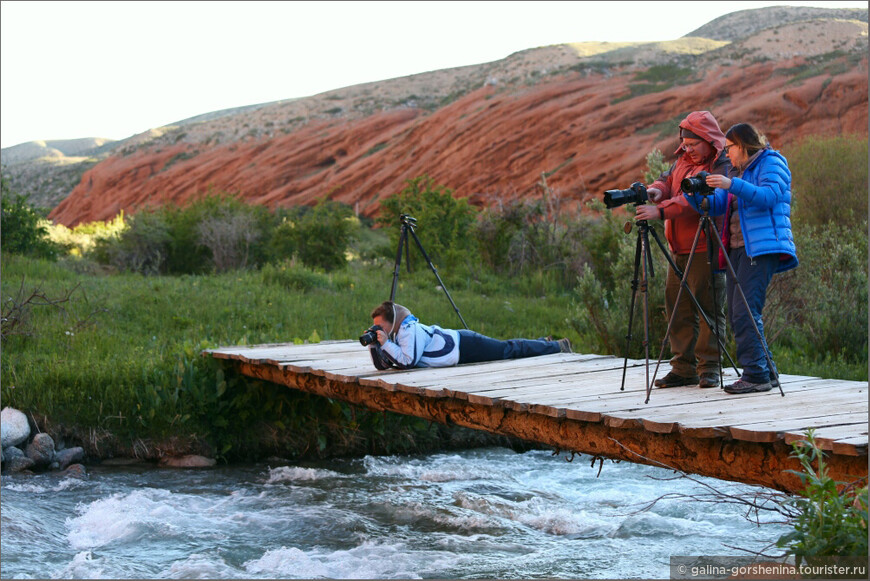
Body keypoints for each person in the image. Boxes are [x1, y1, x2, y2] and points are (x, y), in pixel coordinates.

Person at [689, 122, 798, 394]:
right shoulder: (737, 172)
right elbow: (718, 204)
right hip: (737, 250)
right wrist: (693, 194)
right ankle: (766, 371)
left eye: (730, 148)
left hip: (761, 249)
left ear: (744, 144)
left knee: (745, 312)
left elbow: (769, 197)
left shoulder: (772, 163)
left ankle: (755, 375)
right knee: (741, 313)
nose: (727, 154)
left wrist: (732, 184)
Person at [635, 111, 736, 389]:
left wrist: (660, 211)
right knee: (677, 308)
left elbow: (693, 199)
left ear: (708, 139)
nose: (687, 148)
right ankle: (682, 368)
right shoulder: (683, 158)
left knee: (708, 309)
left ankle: (710, 369)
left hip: (706, 245)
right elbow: (668, 180)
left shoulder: (721, 164)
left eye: (693, 144)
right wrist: (657, 190)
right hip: (677, 247)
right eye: (685, 143)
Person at [365, 300, 572, 370]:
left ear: (393, 323)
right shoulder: (396, 335)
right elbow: (383, 366)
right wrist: (375, 345)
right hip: (459, 350)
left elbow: (407, 362)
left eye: (380, 328)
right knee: (506, 349)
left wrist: (385, 342)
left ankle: (558, 346)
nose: (378, 332)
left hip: (464, 344)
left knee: (508, 350)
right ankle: (542, 343)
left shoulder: (409, 330)